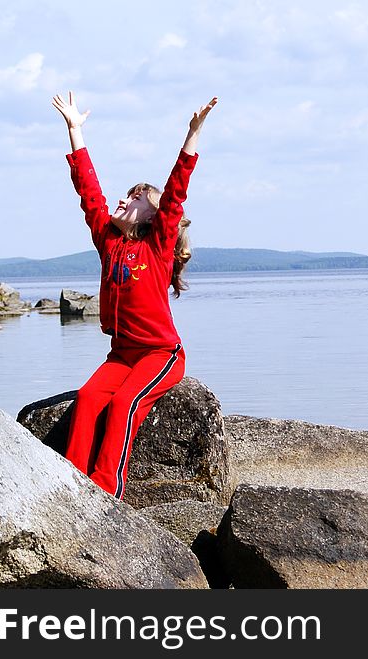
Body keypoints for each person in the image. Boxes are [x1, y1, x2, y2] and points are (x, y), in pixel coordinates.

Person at [51, 90, 217, 499]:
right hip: (121, 353)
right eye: (125, 195)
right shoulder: (109, 241)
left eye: (135, 198)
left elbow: (176, 192)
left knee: (125, 403)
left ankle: (107, 491)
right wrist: (75, 131)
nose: (123, 200)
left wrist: (191, 136)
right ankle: (74, 485)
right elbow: (88, 191)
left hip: (160, 354)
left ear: (150, 215)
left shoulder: (157, 245)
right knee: (89, 398)